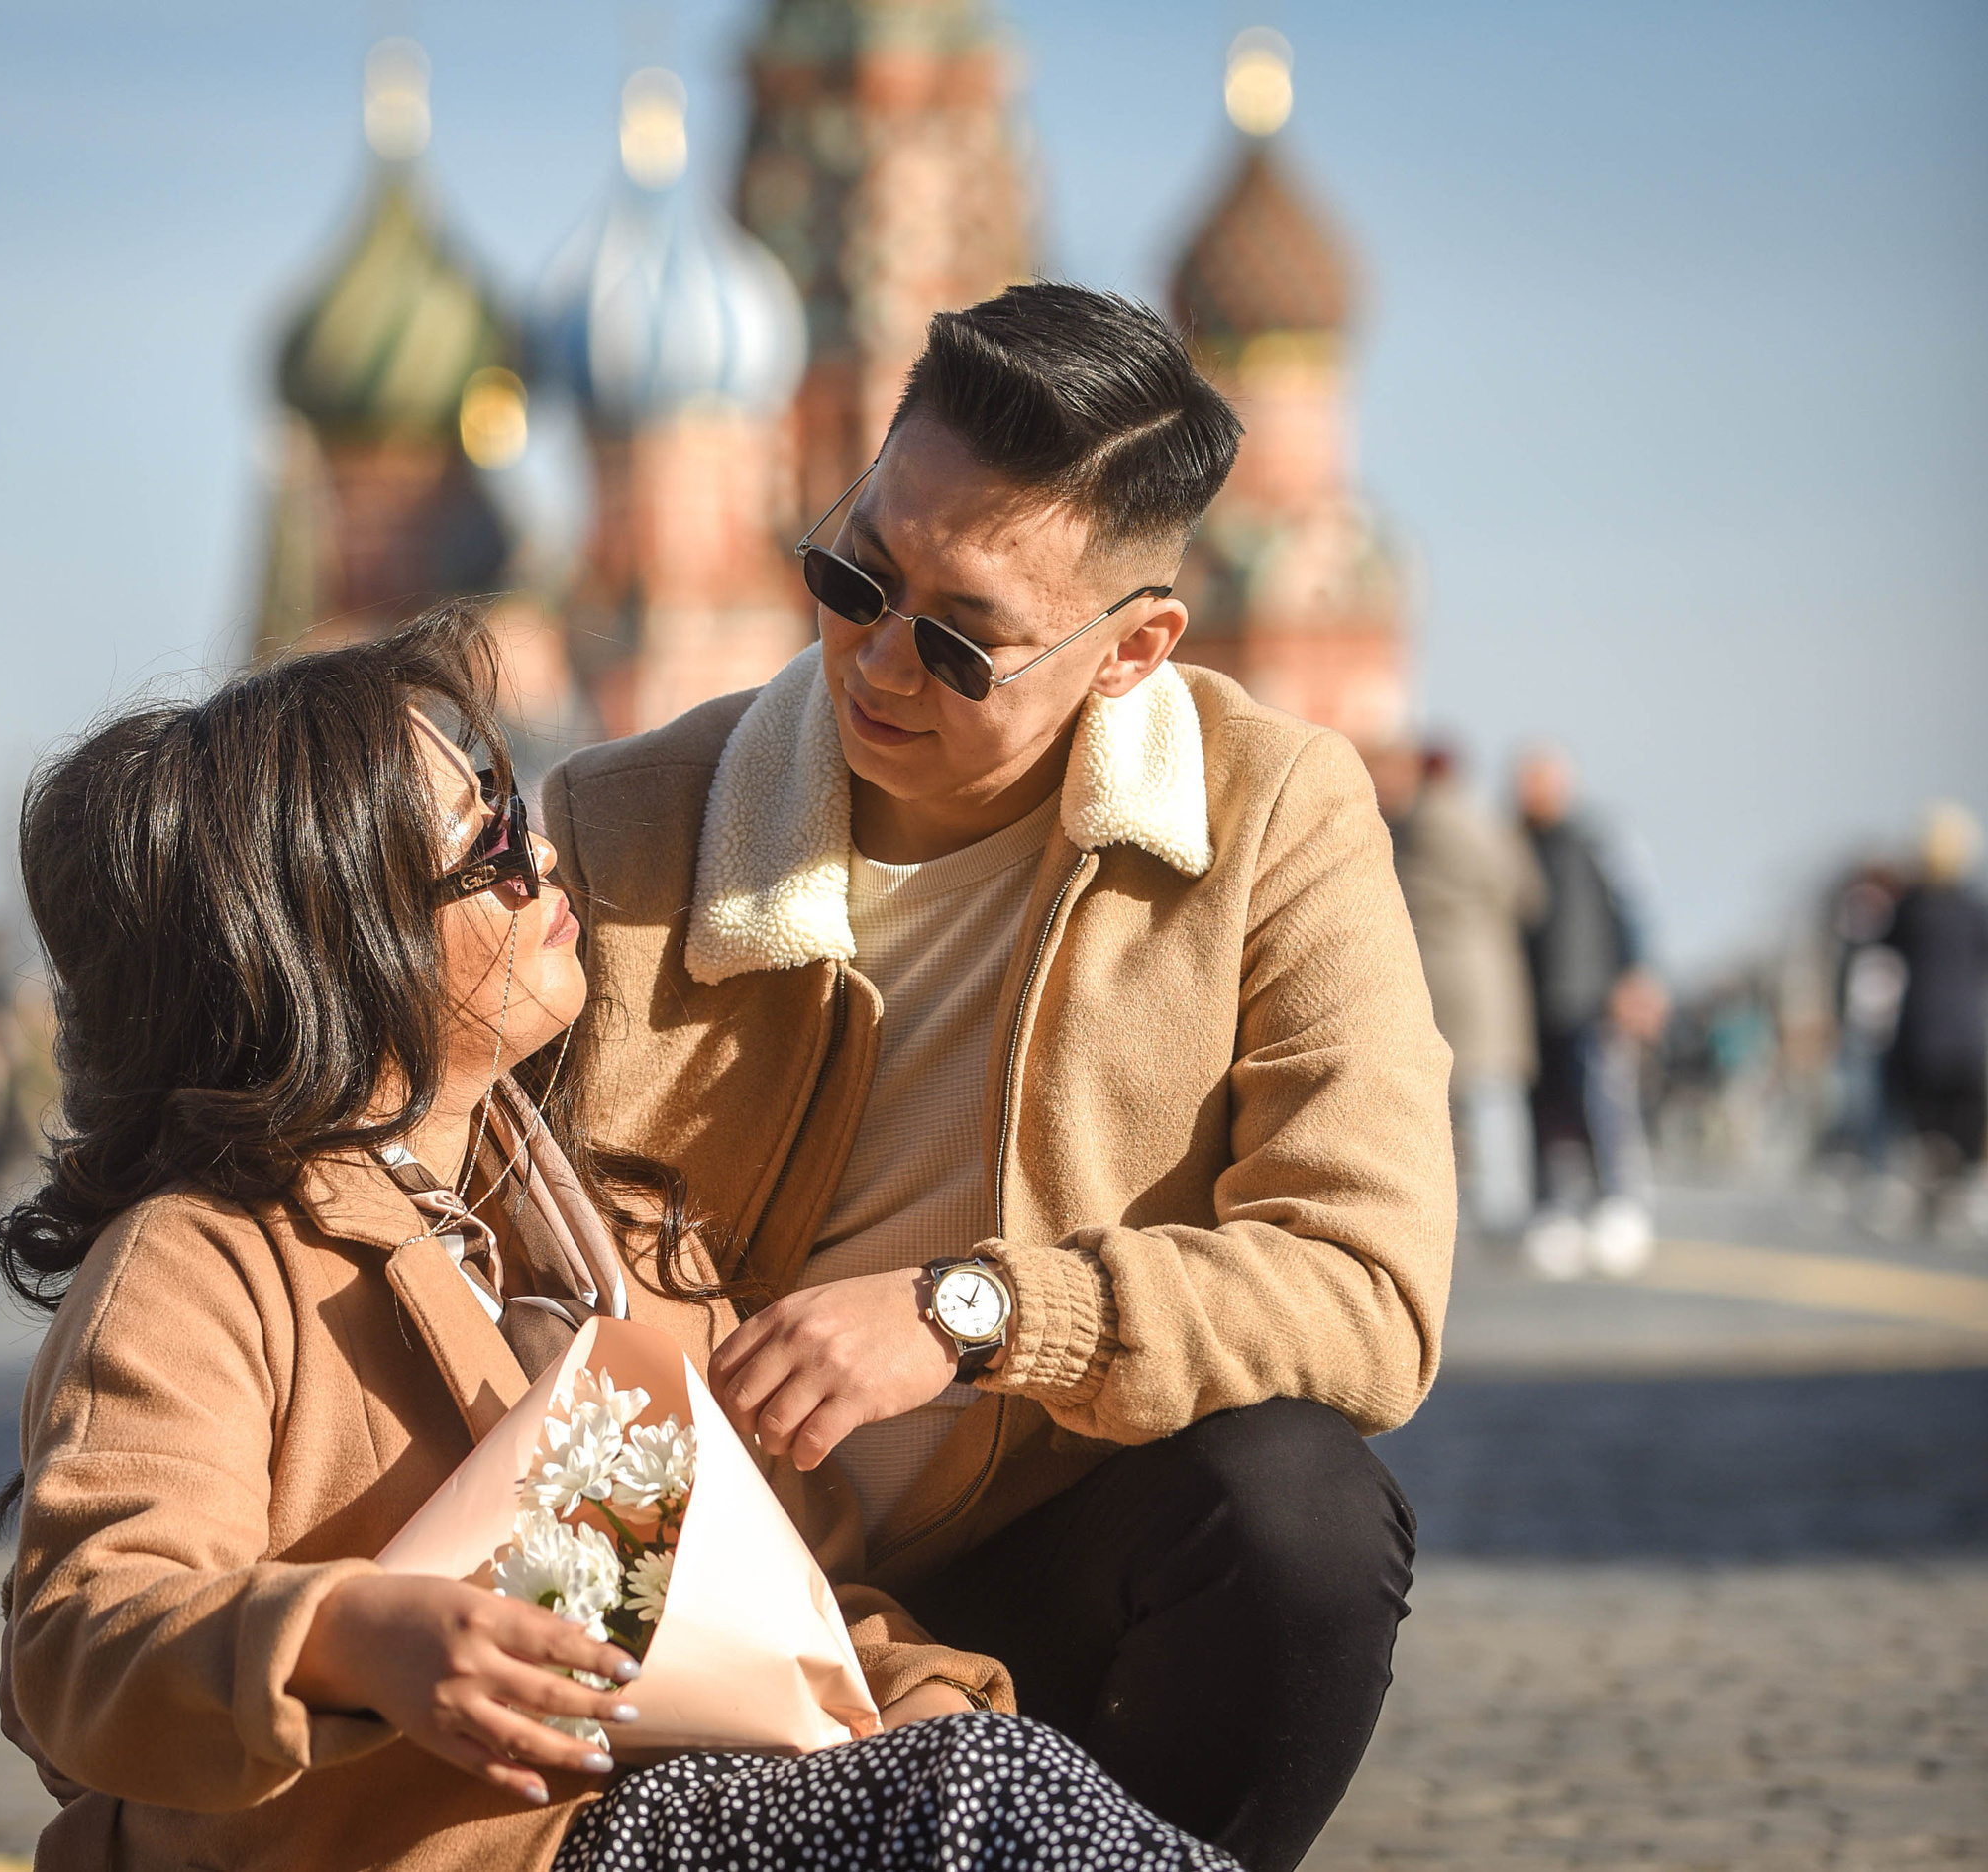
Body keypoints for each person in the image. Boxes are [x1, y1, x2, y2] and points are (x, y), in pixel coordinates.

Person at [0, 609, 1238, 1872]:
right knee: (974, 1805)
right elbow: (80, 1643)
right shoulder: (203, 1261)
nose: (539, 854)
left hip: (665, 1818)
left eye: (507, 800)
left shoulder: (600, 1240)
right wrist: (353, 1638)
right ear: (331, 942)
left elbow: (782, 1592)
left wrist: (915, 1699)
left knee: (984, 1780)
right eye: (483, 848)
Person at [543, 284, 1449, 1872]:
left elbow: (1368, 1287)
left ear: (1134, 650)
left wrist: (975, 1315)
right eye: (853, 574)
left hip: (1046, 1541)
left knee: (1296, 1509)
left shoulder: (1273, 817)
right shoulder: (628, 826)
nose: (879, 660)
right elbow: (524, 1300)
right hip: (704, 1557)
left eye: (961, 639)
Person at [1381, 743, 1545, 1241]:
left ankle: (1460, 1214)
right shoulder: (1479, 823)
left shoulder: (1409, 827)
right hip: (1483, 979)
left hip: (1433, 976)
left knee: (1451, 1103)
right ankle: (1505, 1212)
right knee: (1492, 1097)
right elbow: (1528, 893)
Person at [1514, 744, 1665, 1278]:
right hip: (1531, 1002)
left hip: (1592, 999)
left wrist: (1637, 978)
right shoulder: (1511, 841)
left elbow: (1634, 913)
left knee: (1603, 1105)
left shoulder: (1597, 840)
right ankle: (1552, 1211)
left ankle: (1619, 1205)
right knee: (1543, 1111)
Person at [1882, 801, 1988, 1231]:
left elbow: (1884, 948)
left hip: (1920, 1033)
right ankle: (1956, 1199)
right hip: (1966, 1033)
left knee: (1924, 1127)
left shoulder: (1910, 909)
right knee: (1961, 1126)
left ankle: (1929, 1198)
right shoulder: (1973, 911)